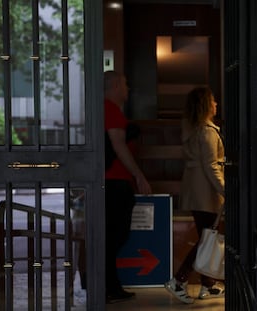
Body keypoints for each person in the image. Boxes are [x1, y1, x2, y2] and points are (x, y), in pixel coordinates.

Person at [164, 87, 225, 304]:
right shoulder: (207, 132)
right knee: (206, 239)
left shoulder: (192, 130)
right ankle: (178, 280)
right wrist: (224, 190)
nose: (216, 104)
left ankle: (207, 285)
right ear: (206, 105)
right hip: (206, 193)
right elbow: (211, 166)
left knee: (205, 236)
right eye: (214, 101)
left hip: (194, 190)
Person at [104, 71, 152, 304]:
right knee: (115, 235)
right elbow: (118, 146)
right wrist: (139, 175)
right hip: (115, 182)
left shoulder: (108, 110)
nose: (128, 89)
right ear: (114, 86)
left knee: (113, 235)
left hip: (113, 182)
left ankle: (110, 286)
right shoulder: (110, 110)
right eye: (124, 84)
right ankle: (109, 287)